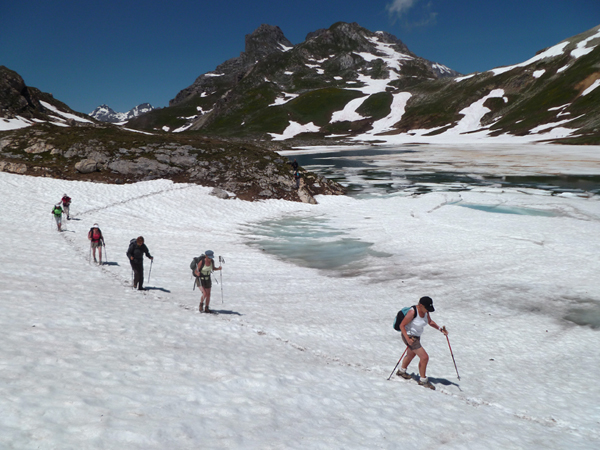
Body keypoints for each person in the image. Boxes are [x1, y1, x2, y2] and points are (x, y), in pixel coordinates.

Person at [396, 296, 448, 390]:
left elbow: (430, 321)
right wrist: (408, 339)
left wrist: (440, 329)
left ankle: (401, 371)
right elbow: (402, 325)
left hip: (416, 337)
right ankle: (423, 381)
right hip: (410, 337)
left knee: (411, 354)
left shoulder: (425, 311)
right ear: (420, 305)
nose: (427, 310)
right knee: (424, 357)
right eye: (426, 308)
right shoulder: (412, 312)